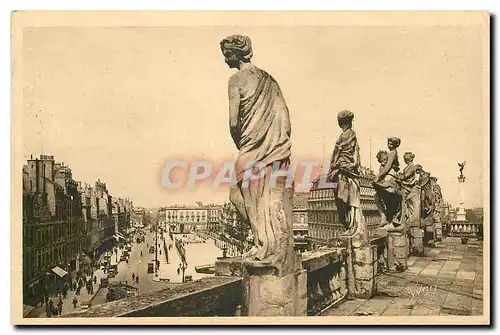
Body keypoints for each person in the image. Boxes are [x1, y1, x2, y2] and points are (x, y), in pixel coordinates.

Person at [220, 34, 294, 266]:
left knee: (239, 196)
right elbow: (286, 118)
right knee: (269, 198)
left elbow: (233, 123)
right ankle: (271, 242)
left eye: (227, 55)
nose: (225, 60)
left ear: (237, 53)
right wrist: (276, 141)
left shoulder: (236, 80)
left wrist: (244, 143)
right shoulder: (270, 80)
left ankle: (263, 243)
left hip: (251, 147)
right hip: (275, 147)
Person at [327, 110, 362, 237]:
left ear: (341, 122)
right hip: (346, 172)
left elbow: (336, 155)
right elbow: (356, 155)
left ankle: (350, 226)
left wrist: (334, 167)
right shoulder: (352, 134)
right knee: (347, 200)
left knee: (344, 200)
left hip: (343, 173)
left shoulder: (344, 136)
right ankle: (351, 226)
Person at [373, 137, 403, 229]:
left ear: (395, 145)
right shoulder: (392, 153)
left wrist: (377, 177)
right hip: (389, 176)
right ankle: (386, 218)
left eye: (391, 144)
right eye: (388, 143)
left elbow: (388, 166)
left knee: (380, 197)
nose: (389, 145)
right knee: (379, 197)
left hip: (389, 177)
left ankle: (385, 218)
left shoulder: (392, 153)